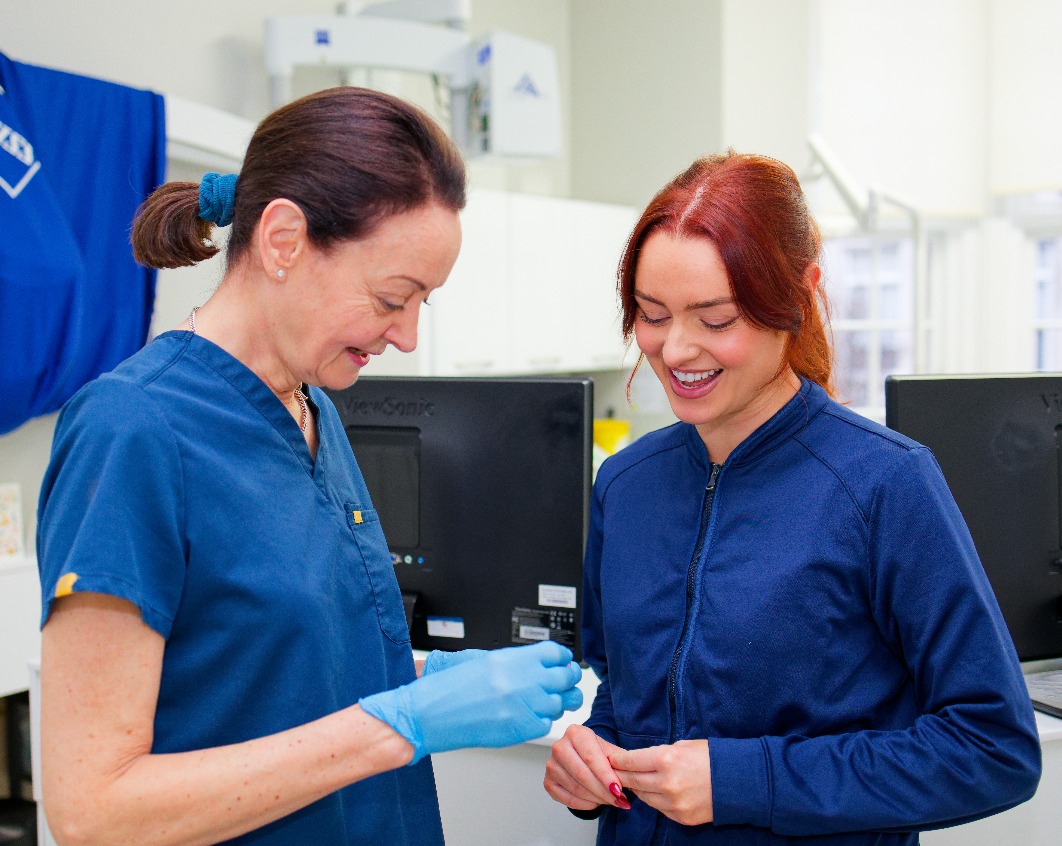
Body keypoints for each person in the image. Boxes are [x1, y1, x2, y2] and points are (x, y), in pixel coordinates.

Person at [36, 86, 582, 846]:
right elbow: (93, 809)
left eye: (424, 302)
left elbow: (269, 677)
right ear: (283, 240)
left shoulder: (313, 404)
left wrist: (421, 683)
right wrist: (400, 724)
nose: (408, 335)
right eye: (394, 297)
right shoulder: (134, 430)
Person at [543, 151, 1041, 844]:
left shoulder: (886, 485)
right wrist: (587, 763)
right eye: (652, 314)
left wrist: (744, 782)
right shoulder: (624, 485)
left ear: (800, 295)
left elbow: (993, 750)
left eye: (716, 320)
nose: (676, 350)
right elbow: (626, 704)